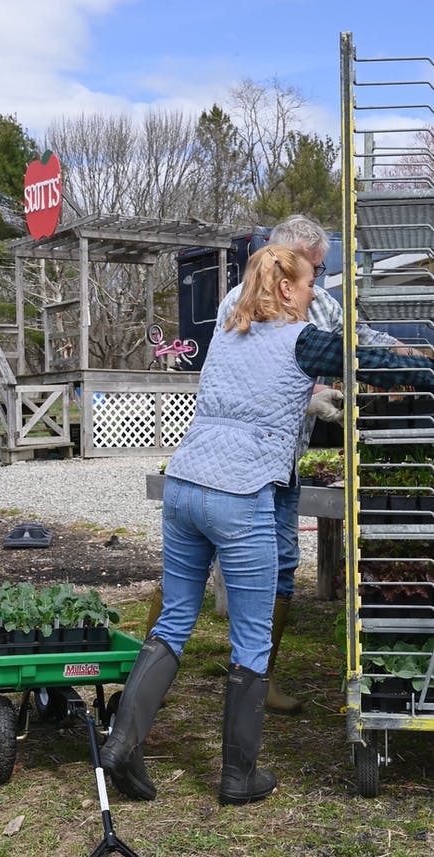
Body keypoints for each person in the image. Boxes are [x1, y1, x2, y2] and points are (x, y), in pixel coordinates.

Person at [100, 244, 433, 807]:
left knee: (176, 619)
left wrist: (314, 396)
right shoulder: (300, 339)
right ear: (285, 288)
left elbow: (262, 390)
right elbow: (372, 361)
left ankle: (120, 745)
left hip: (184, 487)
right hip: (241, 495)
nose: (311, 295)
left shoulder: (227, 335)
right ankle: (238, 777)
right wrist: (423, 362)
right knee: (251, 641)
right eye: (308, 285)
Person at [214, 214, 409, 714]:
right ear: (286, 268)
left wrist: (406, 353)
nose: (319, 282)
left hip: (283, 458)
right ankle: (243, 680)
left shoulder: (318, 302)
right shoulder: (235, 307)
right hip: (245, 463)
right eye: (314, 271)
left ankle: (262, 678)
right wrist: (312, 398)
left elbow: (356, 337)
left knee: (279, 565)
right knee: (219, 571)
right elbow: (248, 379)